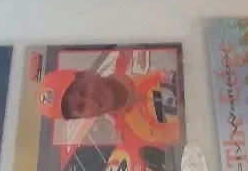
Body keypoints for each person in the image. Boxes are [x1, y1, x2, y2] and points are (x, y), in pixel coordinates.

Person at [36, 53, 180, 146]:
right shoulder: (128, 136)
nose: (91, 100)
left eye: (83, 91)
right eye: (81, 107)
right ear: (84, 117)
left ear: (87, 73)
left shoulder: (134, 55)